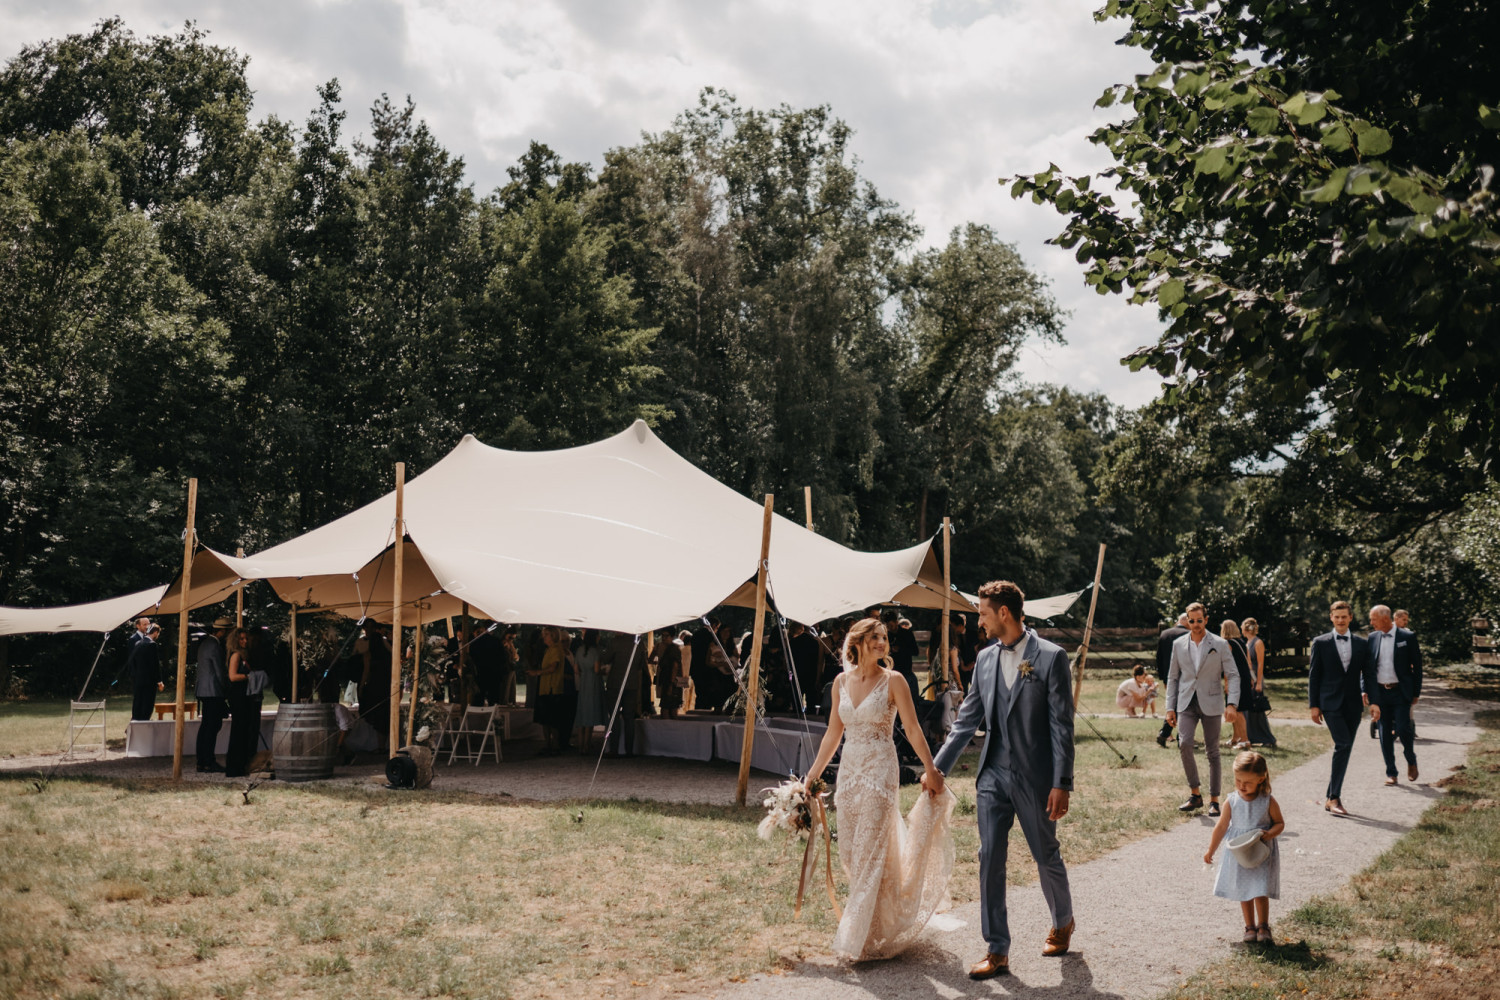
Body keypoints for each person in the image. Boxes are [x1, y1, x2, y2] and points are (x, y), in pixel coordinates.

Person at [929, 580, 1076, 979]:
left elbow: (1062, 726)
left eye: (983, 612)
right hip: (992, 774)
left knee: (1045, 853)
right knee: (989, 856)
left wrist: (1062, 781)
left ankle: (1063, 921)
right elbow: (967, 718)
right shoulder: (985, 659)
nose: (980, 619)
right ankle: (997, 950)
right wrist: (938, 768)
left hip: (1036, 777)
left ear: (1004, 613)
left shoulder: (1051, 657)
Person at [802, 616, 954, 962]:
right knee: (852, 854)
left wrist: (931, 770)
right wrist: (811, 777)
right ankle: (879, 924)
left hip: (880, 773)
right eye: (875, 637)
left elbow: (913, 729)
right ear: (858, 642)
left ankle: (859, 939)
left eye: (884, 638)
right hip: (849, 774)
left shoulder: (894, 680)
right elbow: (832, 735)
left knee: (869, 850)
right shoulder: (840, 682)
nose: (882, 643)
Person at [1165, 603, 1241, 816]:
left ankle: (1214, 800)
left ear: (1206, 620)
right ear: (1187, 620)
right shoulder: (1178, 644)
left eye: (1199, 621)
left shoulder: (1219, 643)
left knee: (1212, 751)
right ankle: (1195, 794)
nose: (1196, 625)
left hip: (1212, 701)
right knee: (1185, 743)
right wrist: (1169, 707)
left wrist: (1232, 703)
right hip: (1186, 702)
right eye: (1192, 621)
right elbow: (1172, 677)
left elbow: (1233, 674)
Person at [1203, 751, 1284, 945]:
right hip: (1240, 854)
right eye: (1238, 780)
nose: (1241, 786)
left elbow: (1279, 823)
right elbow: (1221, 826)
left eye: (1247, 782)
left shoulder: (1267, 801)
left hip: (1260, 853)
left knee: (1260, 889)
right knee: (1244, 890)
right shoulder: (1232, 801)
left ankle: (1263, 926)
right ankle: (1249, 926)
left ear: (1261, 779)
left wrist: (1269, 834)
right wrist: (1210, 850)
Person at [1307, 600, 1375, 816]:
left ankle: (1330, 796)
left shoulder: (1362, 644)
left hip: (1354, 705)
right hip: (1329, 703)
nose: (1340, 620)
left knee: (1344, 748)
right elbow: (1314, 676)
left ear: (1350, 618)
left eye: (1344, 617)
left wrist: (1374, 701)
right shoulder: (1321, 642)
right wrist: (1314, 705)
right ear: (1331, 618)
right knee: (1343, 744)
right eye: (1336, 617)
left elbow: (1370, 675)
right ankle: (1335, 797)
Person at [1366, 604, 1422, 786]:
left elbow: (1417, 667)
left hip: (1400, 691)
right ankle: (1391, 772)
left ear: (1384, 618)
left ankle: (1411, 759)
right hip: (1380, 692)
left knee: (1403, 728)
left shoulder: (1407, 637)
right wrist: (1365, 689)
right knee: (1384, 732)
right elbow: (1367, 668)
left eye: (1373, 619)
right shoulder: (1372, 638)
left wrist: (1416, 692)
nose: (1371, 622)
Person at [223, 627, 263, 778]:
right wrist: (249, 676)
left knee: (245, 730)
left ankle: (242, 764)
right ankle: (234, 766)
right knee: (238, 730)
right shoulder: (236, 655)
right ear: (236, 640)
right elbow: (232, 676)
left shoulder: (245, 654)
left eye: (246, 638)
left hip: (245, 696)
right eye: (241, 639)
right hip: (238, 696)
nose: (245, 641)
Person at [195, 617, 232, 772]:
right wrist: (227, 689)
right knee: (212, 726)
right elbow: (219, 671)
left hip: (203, 690)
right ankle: (209, 761)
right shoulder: (215, 646)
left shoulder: (205, 643)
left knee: (205, 727)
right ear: (222, 631)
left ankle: (202, 761)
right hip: (212, 691)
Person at [602, 631, 644, 755]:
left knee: (614, 717)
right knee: (629, 717)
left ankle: (614, 749)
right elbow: (641, 664)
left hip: (615, 683)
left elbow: (606, 659)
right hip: (632, 684)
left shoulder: (615, 642)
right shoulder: (640, 643)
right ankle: (629, 750)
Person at [530, 627, 569, 755]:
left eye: (546, 635)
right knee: (545, 719)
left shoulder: (556, 650)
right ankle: (548, 744)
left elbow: (553, 667)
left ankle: (556, 745)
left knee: (553, 719)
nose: (544, 637)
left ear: (552, 636)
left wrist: (537, 672)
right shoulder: (549, 650)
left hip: (553, 688)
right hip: (545, 688)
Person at [1155, 613, 1190, 747]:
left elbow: (1159, 657)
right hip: (1184, 675)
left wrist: (1163, 677)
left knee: (1174, 705)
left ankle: (1165, 733)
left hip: (1168, 676)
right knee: (1184, 706)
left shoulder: (1164, 634)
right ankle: (1178, 737)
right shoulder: (1189, 634)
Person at [1241, 618, 1276, 748]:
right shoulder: (1248, 642)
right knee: (1250, 710)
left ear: (1245, 629)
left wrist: (1259, 682)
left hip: (1256, 678)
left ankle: (1267, 738)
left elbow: (1261, 663)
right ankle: (1251, 736)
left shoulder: (1258, 642)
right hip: (1249, 678)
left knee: (1258, 709)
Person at [358, 623, 393, 753]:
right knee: (384, 715)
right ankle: (382, 745)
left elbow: (366, 672)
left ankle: (380, 745)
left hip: (374, 686)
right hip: (385, 685)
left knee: (376, 714)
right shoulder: (388, 654)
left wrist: (362, 686)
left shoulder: (368, 655)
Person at [573, 629, 607, 751]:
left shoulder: (579, 650)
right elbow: (597, 670)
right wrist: (605, 670)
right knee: (590, 713)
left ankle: (580, 744)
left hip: (583, 683)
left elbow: (576, 670)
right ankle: (587, 744)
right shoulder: (596, 651)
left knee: (582, 712)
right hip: (593, 683)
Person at [1221, 620, 1254, 750]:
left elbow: (1226, 665)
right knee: (1235, 711)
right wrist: (1251, 678)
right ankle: (1236, 738)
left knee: (1237, 710)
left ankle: (1245, 740)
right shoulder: (1242, 643)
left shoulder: (1227, 644)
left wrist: (1227, 683)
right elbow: (1249, 663)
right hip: (1245, 678)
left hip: (1235, 680)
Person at [126, 622, 163, 721]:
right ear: (155, 632)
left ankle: (135, 721)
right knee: (147, 704)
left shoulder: (138, 643)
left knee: (138, 702)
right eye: (158, 634)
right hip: (149, 681)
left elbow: (133, 661)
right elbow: (154, 664)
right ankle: (144, 722)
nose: (157, 636)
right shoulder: (152, 645)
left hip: (138, 679)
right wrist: (159, 681)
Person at [884, 611, 921, 704]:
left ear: (896, 622)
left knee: (909, 699)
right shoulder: (886, 636)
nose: (890, 629)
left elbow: (915, 651)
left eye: (891, 626)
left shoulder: (907, 633)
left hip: (906, 671)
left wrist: (900, 649)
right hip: (891, 672)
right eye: (888, 627)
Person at [654, 629, 684, 720]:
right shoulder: (668, 648)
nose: (663, 638)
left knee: (667, 710)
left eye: (666, 636)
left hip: (671, 683)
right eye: (662, 636)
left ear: (671, 637)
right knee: (669, 709)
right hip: (668, 681)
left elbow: (675, 666)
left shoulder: (673, 649)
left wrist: (671, 684)